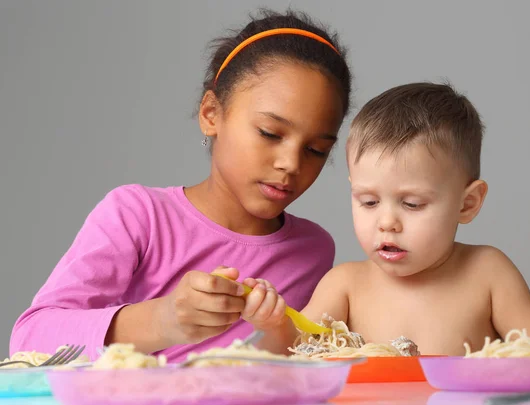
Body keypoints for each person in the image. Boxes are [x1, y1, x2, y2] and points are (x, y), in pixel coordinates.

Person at [10, 8, 352, 362]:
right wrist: (164, 319)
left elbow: (298, 363)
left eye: (316, 150)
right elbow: (29, 338)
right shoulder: (138, 215)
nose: (291, 164)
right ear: (211, 114)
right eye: (269, 133)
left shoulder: (313, 251)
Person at [243, 82, 530, 356]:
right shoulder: (345, 286)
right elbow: (294, 357)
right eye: (368, 201)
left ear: (466, 204)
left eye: (411, 204)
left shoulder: (487, 273)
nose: (387, 222)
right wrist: (274, 326)